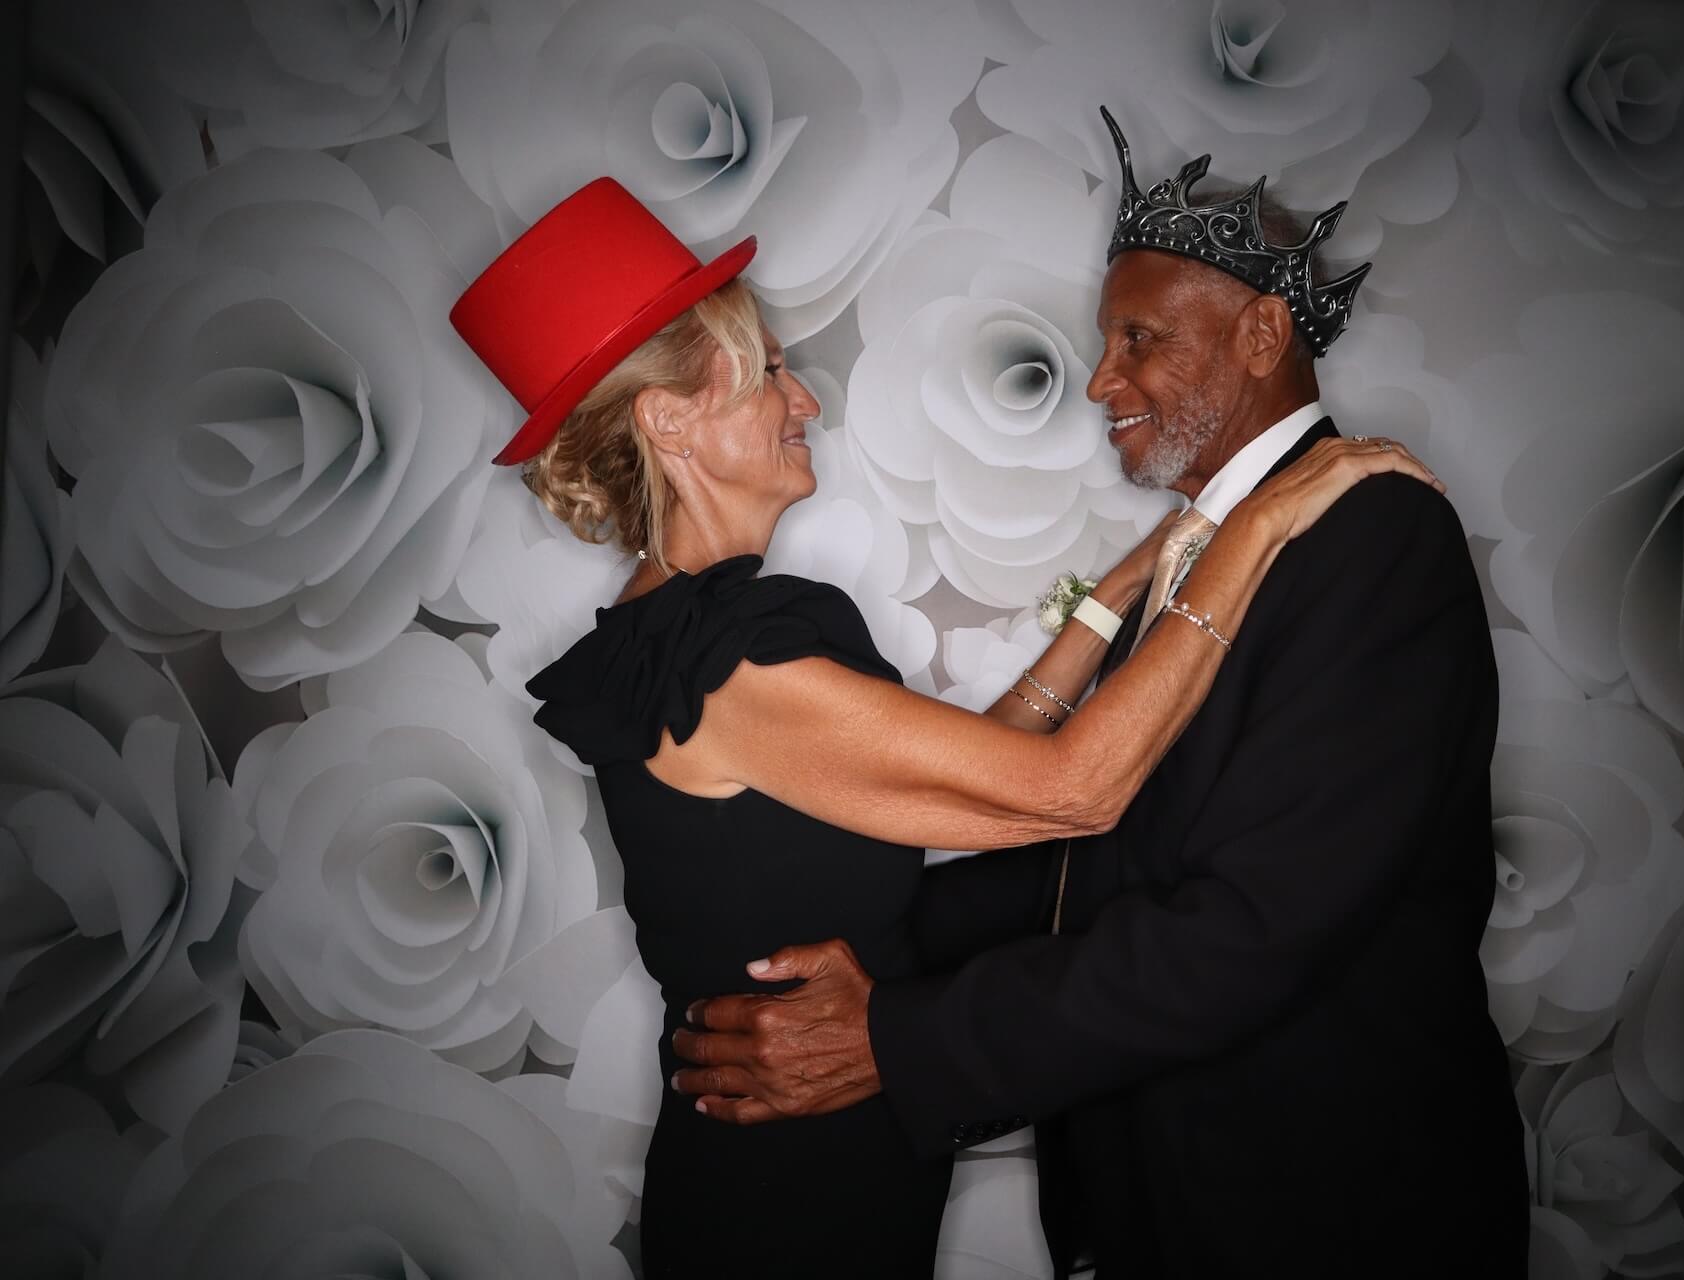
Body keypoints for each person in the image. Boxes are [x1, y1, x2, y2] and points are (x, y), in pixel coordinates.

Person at [447, 177, 1443, 1278]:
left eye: (1136, 336)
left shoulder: (678, 645)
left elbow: (976, 775)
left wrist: (1138, 578)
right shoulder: (731, 661)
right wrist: (1252, 528)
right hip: (790, 1187)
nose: (805, 400)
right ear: (669, 419)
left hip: (837, 1160)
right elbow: (1069, 790)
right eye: (770, 369)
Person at [670, 112, 1530, 1277]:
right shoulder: (1204, 547)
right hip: (1178, 1198)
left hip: (1322, 1209)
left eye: (1139, 338)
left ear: (1263, 333)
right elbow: (1110, 852)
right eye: (1102, 339)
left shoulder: (1373, 535)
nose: (1098, 379)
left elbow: (1249, 928)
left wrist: (896, 1032)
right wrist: (881, 949)